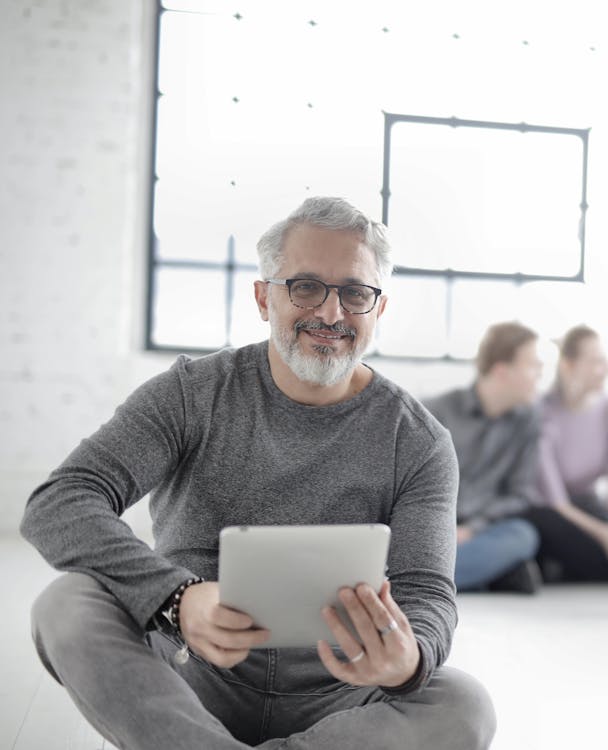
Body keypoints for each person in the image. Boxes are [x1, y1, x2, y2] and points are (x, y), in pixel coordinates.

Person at [20, 196, 494, 749]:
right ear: (263, 297)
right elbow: (60, 500)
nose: (331, 313)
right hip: (188, 674)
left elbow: (428, 592)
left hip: (342, 694)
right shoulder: (191, 394)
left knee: (463, 706)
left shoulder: (418, 441)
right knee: (65, 606)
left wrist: (407, 659)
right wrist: (177, 598)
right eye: (306, 286)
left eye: (355, 292)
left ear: (377, 310)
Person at [424, 321, 545, 593]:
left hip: (480, 530)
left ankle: (421, 582)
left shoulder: (528, 423)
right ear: (502, 371)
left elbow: (520, 494)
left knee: (523, 535)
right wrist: (444, 531)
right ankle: (485, 574)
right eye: (532, 365)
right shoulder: (436, 411)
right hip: (430, 526)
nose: (539, 374)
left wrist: (473, 529)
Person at [527, 325, 608, 582]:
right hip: (550, 511)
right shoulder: (541, 415)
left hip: (589, 506)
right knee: (595, 548)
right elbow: (556, 501)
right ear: (568, 365)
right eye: (597, 361)